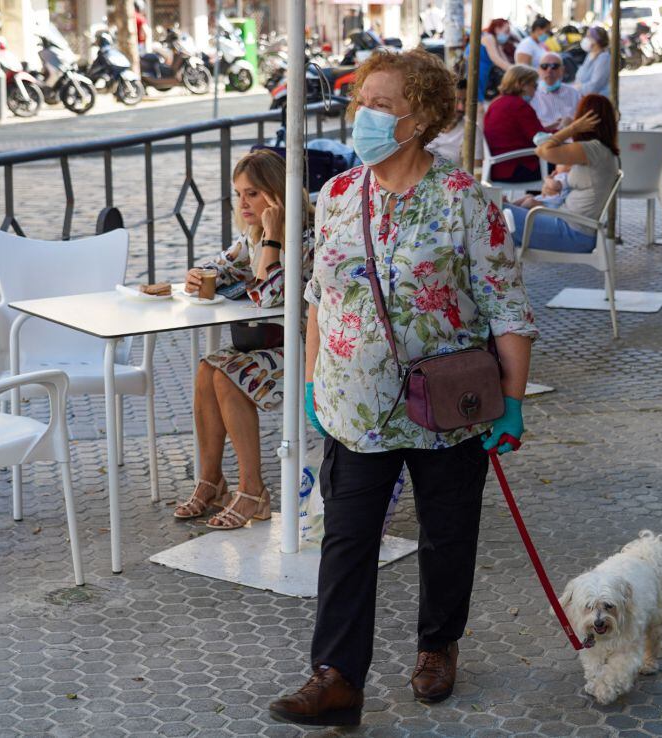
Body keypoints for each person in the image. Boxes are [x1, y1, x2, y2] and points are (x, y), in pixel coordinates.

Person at [268, 48, 536, 727]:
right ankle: (335, 676)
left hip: (449, 407)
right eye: (361, 102)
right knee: (346, 538)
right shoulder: (334, 196)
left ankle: (438, 644)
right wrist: (310, 387)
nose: (363, 115)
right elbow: (317, 301)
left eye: (380, 105)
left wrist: (514, 399)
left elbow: (507, 306)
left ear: (417, 121)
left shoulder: (465, 200)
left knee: (448, 534)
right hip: (353, 408)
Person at [175, 149, 315, 530]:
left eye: (253, 193)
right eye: (238, 194)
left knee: (227, 376)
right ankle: (212, 480)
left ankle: (253, 490)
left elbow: (272, 296)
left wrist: (272, 236)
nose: (243, 203)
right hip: (273, 346)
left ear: (277, 192)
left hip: (310, 349)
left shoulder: (304, 237)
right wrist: (199, 274)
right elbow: (220, 263)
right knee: (208, 369)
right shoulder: (251, 237)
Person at [503, 94, 621, 254]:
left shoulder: (593, 149)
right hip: (570, 226)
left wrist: (572, 128)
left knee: (493, 213)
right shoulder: (601, 151)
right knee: (498, 210)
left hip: (572, 233)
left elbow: (542, 150)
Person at [483, 64, 553, 183]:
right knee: (565, 161)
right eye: (534, 85)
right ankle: (543, 200)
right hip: (515, 167)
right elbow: (540, 139)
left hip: (497, 167)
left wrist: (551, 129)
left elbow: (521, 132)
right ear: (522, 84)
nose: (535, 90)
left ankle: (532, 199)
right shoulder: (519, 105)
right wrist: (567, 131)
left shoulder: (496, 103)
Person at [426, 78, 484, 166]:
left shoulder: (472, 132)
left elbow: (476, 172)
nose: (461, 108)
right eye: (456, 101)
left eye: (465, 101)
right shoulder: (422, 126)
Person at [531, 51, 582, 128]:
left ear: (562, 70)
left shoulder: (573, 92)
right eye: (544, 66)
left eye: (554, 66)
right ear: (539, 70)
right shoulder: (532, 95)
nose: (549, 70)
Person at [576, 26, 611, 97]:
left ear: (596, 40)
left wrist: (578, 88)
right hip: (586, 97)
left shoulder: (603, 58)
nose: (585, 39)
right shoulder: (590, 54)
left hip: (597, 100)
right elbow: (581, 75)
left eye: (588, 36)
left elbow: (595, 85)